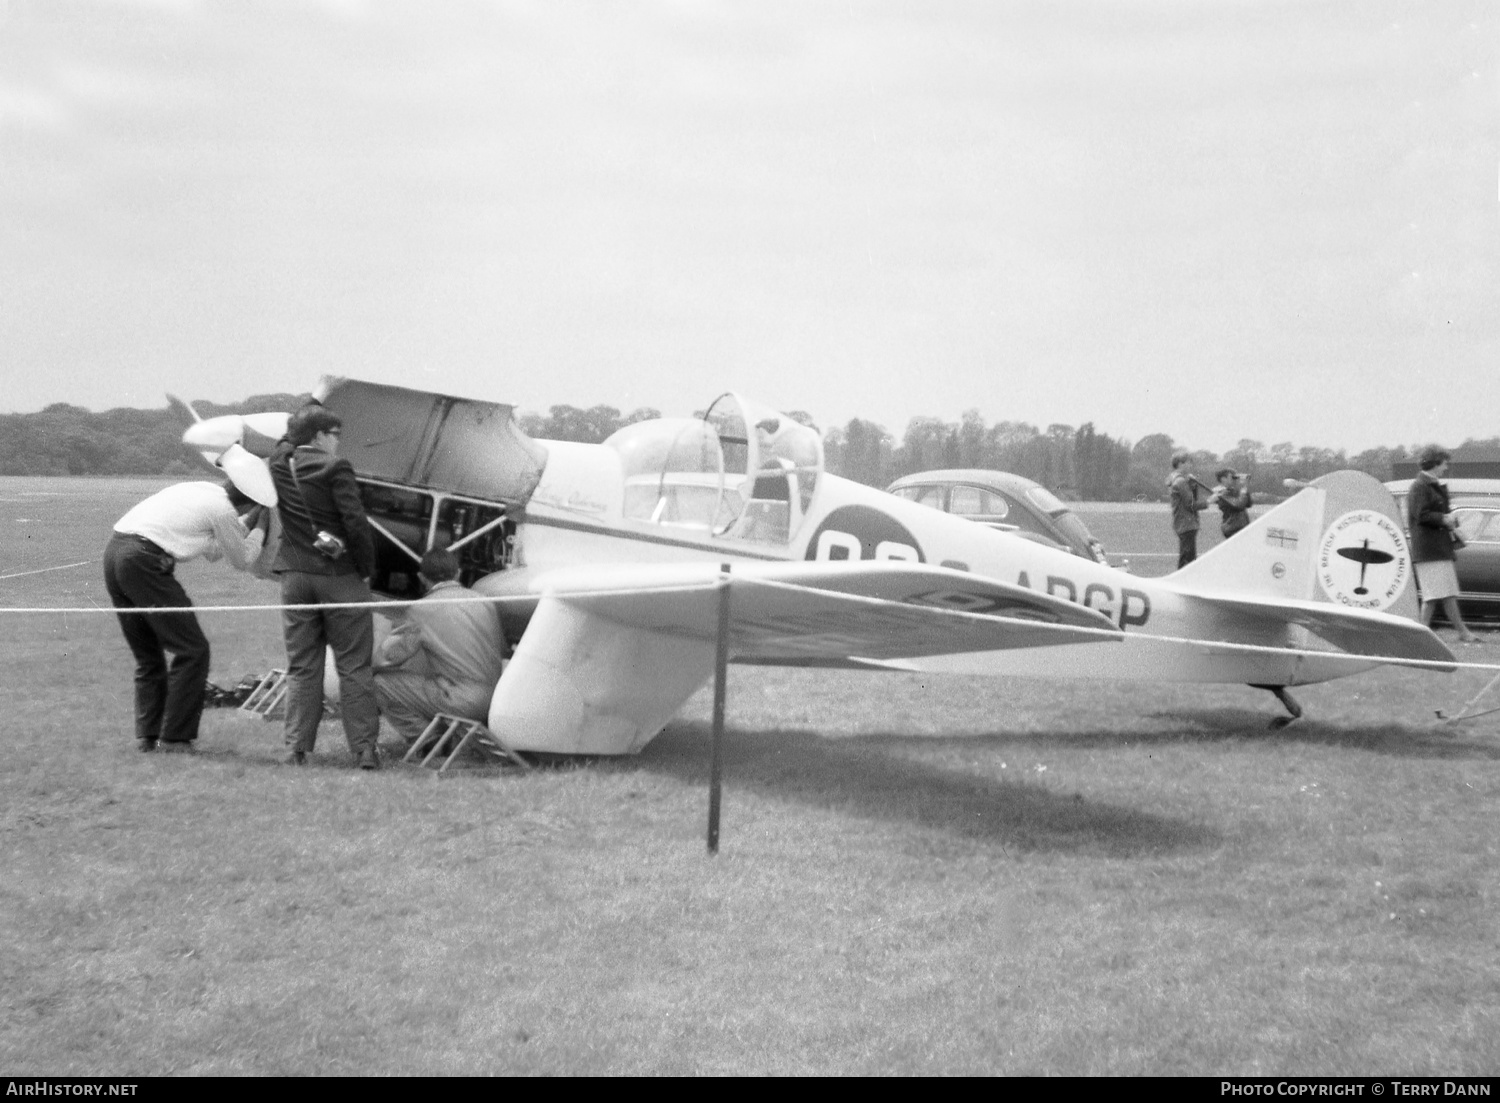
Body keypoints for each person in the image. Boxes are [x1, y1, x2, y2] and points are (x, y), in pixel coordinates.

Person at [104, 477, 272, 752]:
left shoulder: (203, 491)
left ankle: (148, 737)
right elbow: (242, 558)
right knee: (193, 650)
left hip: (115, 553)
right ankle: (175, 739)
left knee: (149, 655)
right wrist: (261, 527)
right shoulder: (224, 511)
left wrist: (250, 520)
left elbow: (215, 549)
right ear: (248, 502)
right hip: (145, 560)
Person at [268, 404, 383, 768]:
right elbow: (354, 521)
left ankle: (296, 748)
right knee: (353, 666)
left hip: (294, 577)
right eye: (335, 434)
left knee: (302, 665)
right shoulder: (336, 467)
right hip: (339, 577)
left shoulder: (278, 463)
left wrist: (297, 427)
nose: (338, 442)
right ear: (319, 436)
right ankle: (364, 750)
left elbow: (286, 442)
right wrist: (365, 568)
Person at [373, 548, 506, 746]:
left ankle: (427, 740)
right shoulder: (485, 602)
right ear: (458, 573)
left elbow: (389, 657)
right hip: (498, 697)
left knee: (380, 683)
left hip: (460, 701)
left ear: (421, 578)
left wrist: (367, 665)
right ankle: (444, 737)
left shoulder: (421, 609)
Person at [1407, 446, 1481, 644]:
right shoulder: (1419, 487)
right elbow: (1420, 515)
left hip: (1437, 549)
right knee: (1438, 595)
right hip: (1429, 550)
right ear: (1435, 463)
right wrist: (1443, 519)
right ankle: (1456, 633)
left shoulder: (1429, 485)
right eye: (1444, 463)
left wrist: (1449, 519)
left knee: (1443, 594)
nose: (1446, 467)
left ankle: (1424, 635)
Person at [1167, 454, 1212, 569]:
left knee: (1186, 557)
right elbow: (1191, 504)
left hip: (1182, 522)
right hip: (1187, 523)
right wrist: (1209, 501)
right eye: (1188, 462)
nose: (1190, 465)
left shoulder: (1175, 479)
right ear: (1181, 464)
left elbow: (1189, 499)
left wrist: (1193, 486)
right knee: (1188, 560)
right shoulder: (1181, 482)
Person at [1214, 468, 1253, 539]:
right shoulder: (1221, 493)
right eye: (1231, 477)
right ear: (1223, 479)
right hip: (1232, 528)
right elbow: (1239, 505)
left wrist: (1245, 488)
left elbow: (1248, 504)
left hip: (1241, 527)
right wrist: (1243, 492)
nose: (1234, 479)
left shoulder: (1233, 491)